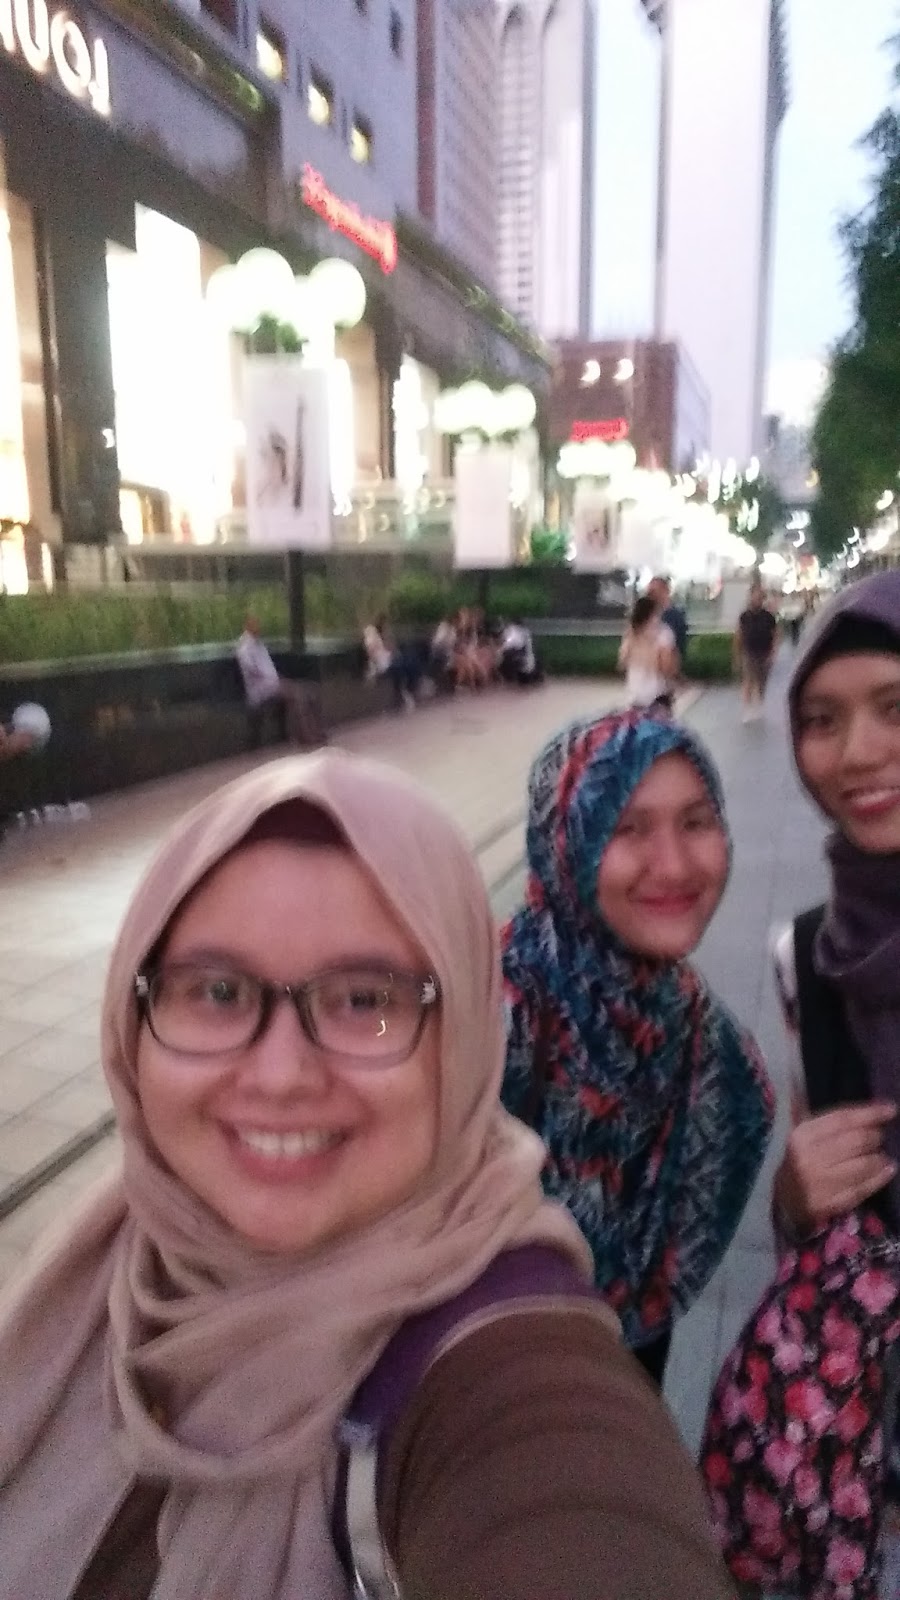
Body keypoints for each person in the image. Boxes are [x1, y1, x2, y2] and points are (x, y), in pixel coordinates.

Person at [0, 751, 735, 1600]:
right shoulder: (103, 1258)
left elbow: (578, 1514)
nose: (279, 1075)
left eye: (365, 1000)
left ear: (462, 1042)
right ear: (132, 1019)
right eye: (216, 991)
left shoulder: (508, 1375)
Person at [502, 710, 774, 1386]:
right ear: (566, 842)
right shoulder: (484, 1002)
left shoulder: (702, 1034)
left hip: (629, 1374)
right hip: (482, 1386)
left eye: (696, 822)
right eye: (627, 828)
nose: (674, 865)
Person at [764, 570, 900, 1594]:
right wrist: (794, 1191)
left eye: (894, 707)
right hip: (872, 1426)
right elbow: (806, 1211)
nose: (856, 752)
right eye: (822, 719)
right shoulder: (804, 956)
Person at [236, 616, 327, 747]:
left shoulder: (259, 644)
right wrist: (273, 680)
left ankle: (315, 730)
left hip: (273, 683)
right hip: (261, 690)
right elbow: (253, 671)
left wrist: (278, 679)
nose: (258, 628)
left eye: (258, 624)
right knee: (297, 695)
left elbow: (267, 667)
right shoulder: (244, 649)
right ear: (246, 627)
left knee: (311, 691)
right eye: (254, 625)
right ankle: (306, 736)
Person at [618, 593, 679, 709]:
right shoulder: (663, 632)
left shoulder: (630, 634)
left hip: (635, 695)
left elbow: (622, 663)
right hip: (657, 695)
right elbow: (666, 668)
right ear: (653, 614)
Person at [734, 580, 779, 721]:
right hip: (749, 651)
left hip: (764, 652)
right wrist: (737, 654)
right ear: (750, 597)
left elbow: (775, 634)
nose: (757, 599)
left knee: (762, 681)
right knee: (748, 680)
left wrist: (773, 652)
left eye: (759, 597)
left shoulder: (768, 616)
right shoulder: (744, 616)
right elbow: (738, 634)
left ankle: (759, 705)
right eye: (754, 596)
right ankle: (747, 709)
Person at [362, 614, 420, 711]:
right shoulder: (371, 637)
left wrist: (391, 649)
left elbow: (389, 649)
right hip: (383, 662)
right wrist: (373, 669)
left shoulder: (381, 637)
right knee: (402, 667)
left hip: (388, 659)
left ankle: (410, 689)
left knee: (410, 661)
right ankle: (406, 693)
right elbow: (372, 654)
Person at [649, 574, 689, 671]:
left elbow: (679, 645)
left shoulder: (675, 616)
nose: (651, 596)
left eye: (654, 591)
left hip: (667, 666)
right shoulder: (648, 614)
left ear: (665, 591)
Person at [498, 616, 542, 686]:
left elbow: (511, 643)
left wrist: (500, 650)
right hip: (531, 665)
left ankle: (508, 678)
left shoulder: (514, 630)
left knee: (504, 656)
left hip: (524, 667)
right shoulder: (525, 631)